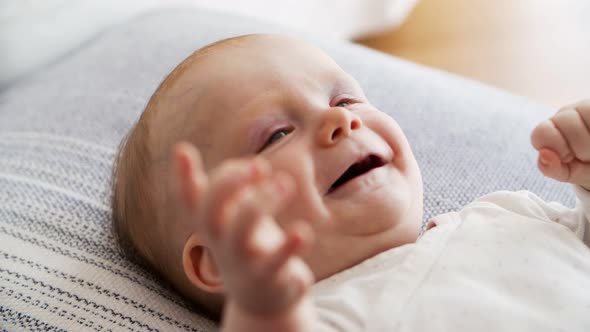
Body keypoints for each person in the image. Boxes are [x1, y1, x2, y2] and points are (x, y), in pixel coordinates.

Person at [111, 34, 590, 331]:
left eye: (344, 100)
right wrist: (261, 303)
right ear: (218, 259)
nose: (338, 123)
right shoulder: (321, 314)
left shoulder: (506, 212)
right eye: (277, 134)